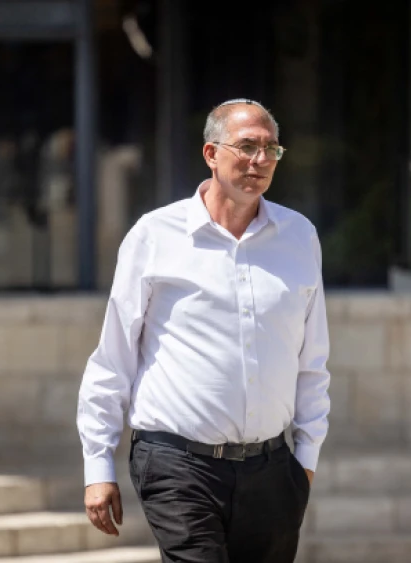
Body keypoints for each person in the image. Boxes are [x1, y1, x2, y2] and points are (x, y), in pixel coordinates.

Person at [77, 99, 331, 562]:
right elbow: (113, 357)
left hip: (274, 471)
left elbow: (312, 360)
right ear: (211, 154)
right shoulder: (154, 236)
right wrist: (98, 466)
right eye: (247, 146)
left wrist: (305, 465)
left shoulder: (300, 237)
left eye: (270, 149)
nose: (259, 161)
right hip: (177, 464)